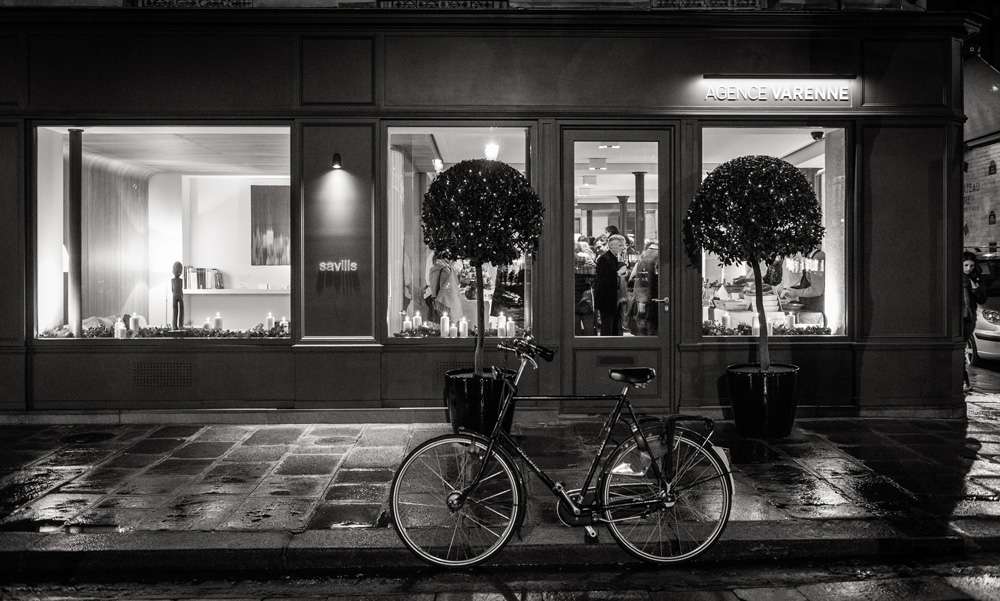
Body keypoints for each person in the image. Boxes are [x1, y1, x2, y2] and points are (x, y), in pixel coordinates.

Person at [963, 251, 987, 392]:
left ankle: (965, 381)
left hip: (969, 318)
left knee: (961, 348)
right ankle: (964, 380)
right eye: (966, 265)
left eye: (971, 266)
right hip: (957, 317)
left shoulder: (976, 278)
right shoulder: (956, 278)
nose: (968, 269)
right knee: (958, 349)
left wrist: (975, 287)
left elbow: (982, 299)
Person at [595, 234, 628, 336]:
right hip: (607, 300)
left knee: (614, 327)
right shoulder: (604, 259)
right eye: (621, 245)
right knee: (608, 328)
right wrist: (619, 273)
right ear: (613, 246)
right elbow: (605, 280)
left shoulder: (613, 258)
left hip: (614, 299)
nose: (623, 248)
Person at [630, 241, 659, 335]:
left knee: (643, 324)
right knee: (652, 326)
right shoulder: (658, 256)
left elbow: (632, 278)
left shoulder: (643, 257)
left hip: (642, 297)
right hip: (654, 297)